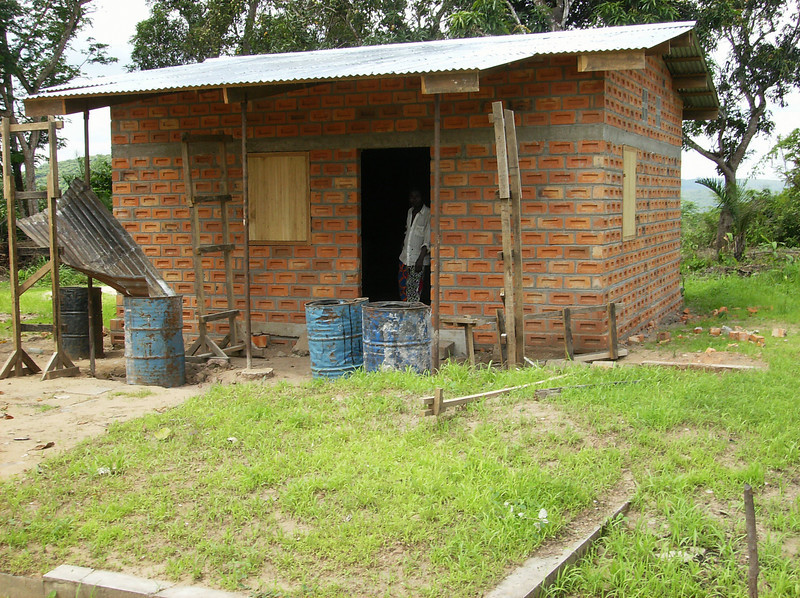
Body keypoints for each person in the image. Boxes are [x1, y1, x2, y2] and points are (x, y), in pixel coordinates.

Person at [398, 188, 430, 304]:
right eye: (412, 197)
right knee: (403, 290)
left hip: (417, 261)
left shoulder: (428, 214)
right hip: (404, 258)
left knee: (414, 293)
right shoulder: (410, 212)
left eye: (417, 197)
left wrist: (420, 259)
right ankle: (407, 315)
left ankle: (412, 318)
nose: (414, 199)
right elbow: (408, 232)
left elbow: (428, 238)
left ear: (422, 198)